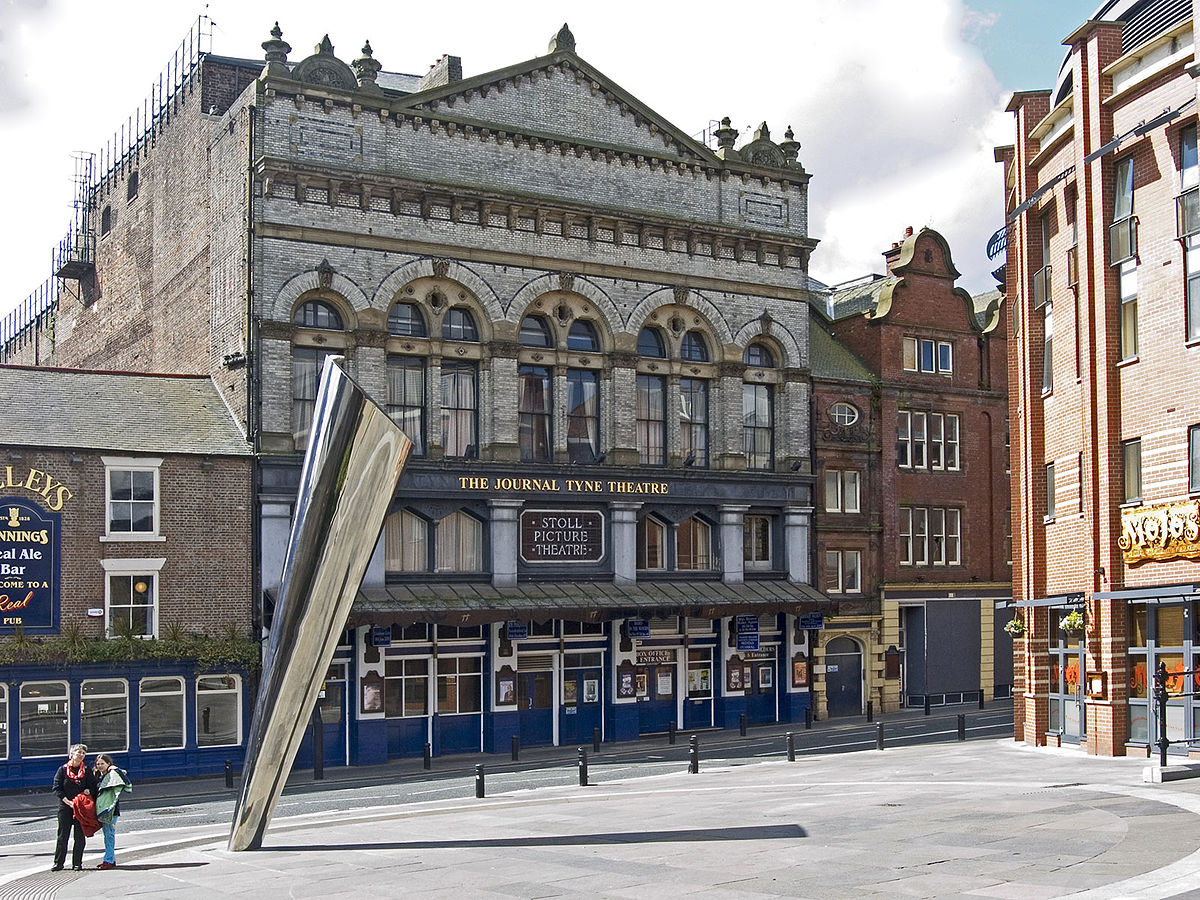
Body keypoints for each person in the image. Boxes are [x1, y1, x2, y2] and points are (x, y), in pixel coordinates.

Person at [51, 744, 96, 871]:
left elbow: (93, 786)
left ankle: (77, 863)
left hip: (81, 809)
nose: (81, 755)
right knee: (62, 836)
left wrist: (88, 790)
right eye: (78, 752)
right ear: (71, 755)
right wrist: (68, 802)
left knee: (79, 836)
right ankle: (58, 863)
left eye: (83, 753)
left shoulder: (86, 770)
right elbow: (57, 788)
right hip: (66, 807)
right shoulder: (63, 770)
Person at [93, 754, 132, 870]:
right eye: (98, 764)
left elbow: (127, 784)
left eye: (102, 764)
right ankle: (110, 859)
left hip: (112, 811)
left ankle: (109, 860)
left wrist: (117, 770)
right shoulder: (97, 777)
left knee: (109, 835)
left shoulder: (113, 775)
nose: (100, 766)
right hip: (102, 810)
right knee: (107, 835)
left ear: (108, 764)